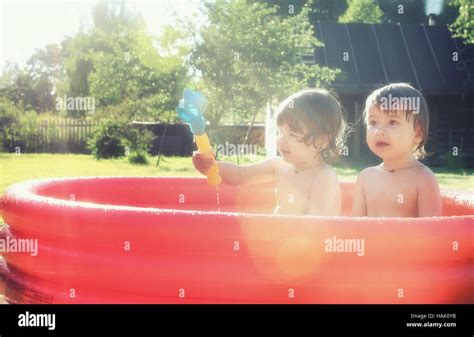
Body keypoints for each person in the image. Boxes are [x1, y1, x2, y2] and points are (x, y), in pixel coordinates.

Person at [193, 89, 347, 216]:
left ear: (321, 141)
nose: (281, 140)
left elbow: (320, 229)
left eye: (293, 134)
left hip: (304, 251)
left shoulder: (323, 177)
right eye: (281, 132)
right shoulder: (278, 166)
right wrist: (211, 166)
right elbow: (241, 175)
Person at [352, 83, 442, 217]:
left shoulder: (424, 179)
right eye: (373, 122)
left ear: (417, 134)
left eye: (392, 122)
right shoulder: (365, 178)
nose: (379, 131)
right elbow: (354, 228)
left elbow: (433, 232)